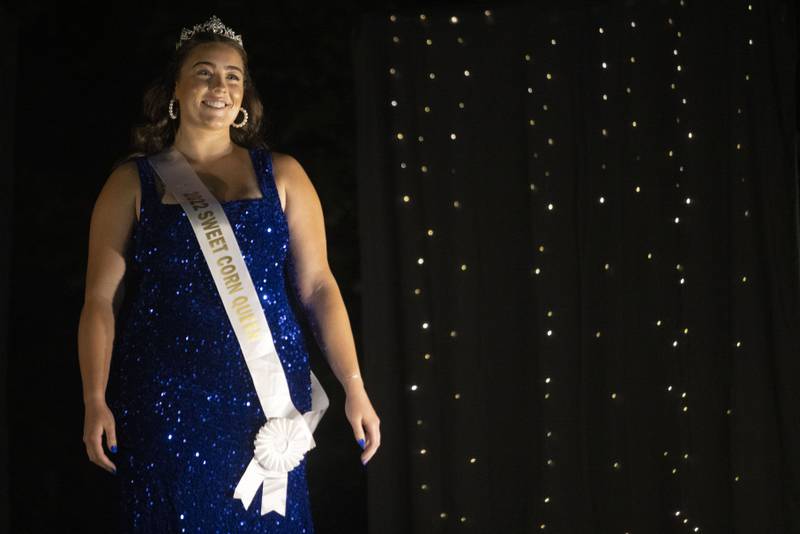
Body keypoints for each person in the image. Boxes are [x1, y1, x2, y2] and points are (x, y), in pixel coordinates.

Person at [77, 14, 380, 532]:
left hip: (266, 400)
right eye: (204, 72)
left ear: (244, 95)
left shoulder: (283, 175)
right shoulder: (131, 184)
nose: (220, 86)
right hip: (166, 399)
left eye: (233, 75)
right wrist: (94, 398)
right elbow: (100, 301)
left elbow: (318, 287)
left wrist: (354, 386)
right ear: (175, 88)